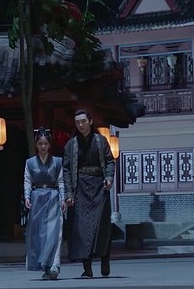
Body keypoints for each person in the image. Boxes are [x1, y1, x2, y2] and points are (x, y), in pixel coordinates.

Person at [62, 109, 115, 278]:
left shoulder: (101, 140)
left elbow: (109, 161)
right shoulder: (71, 145)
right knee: (82, 228)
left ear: (90, 121)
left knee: (102, 225)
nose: (81, 125)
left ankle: (105, 258)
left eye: (83, 121)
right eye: (77, 122)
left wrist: (109, 177)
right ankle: (87, 267)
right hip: (80, 188)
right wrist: (69, 193)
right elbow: (66, 170)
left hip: (99, 186)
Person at [23, 127, 66, 280]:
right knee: (39, 234)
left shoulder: (57, 162)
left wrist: (63, 198)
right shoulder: (30, 163)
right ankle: (45, 266)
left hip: (53, 197)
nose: (43, 146)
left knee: (54, 233)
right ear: (36, 145)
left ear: (49, 145)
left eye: (46, 144)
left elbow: (61, 182)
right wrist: (27, 196)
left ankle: (55, 265)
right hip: (37, 199)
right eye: (40, 144)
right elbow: (27, 181)